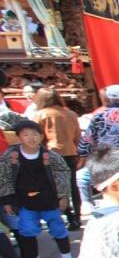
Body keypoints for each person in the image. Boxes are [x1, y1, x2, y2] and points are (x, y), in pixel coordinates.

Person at [0, 119, 76, 258]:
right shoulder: (11, 156)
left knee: (58, 228)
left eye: (35, 134)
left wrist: (63, 195)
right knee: (27, 231)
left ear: (41, 136)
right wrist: (7, 200)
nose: (31, 138)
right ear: (19, 137)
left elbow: (62, 174)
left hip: (49, 200)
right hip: (25, 201)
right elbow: (4, 177)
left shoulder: (50, 155)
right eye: (25, 134)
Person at [32, 87, 83, 229]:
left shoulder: (40, 114)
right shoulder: (71, 114)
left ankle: (67, 214)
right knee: (73, 186)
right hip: (70, 152)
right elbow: (78, 136)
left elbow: (36, 137)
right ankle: (77, 216)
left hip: (51, 153)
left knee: (55, 187)